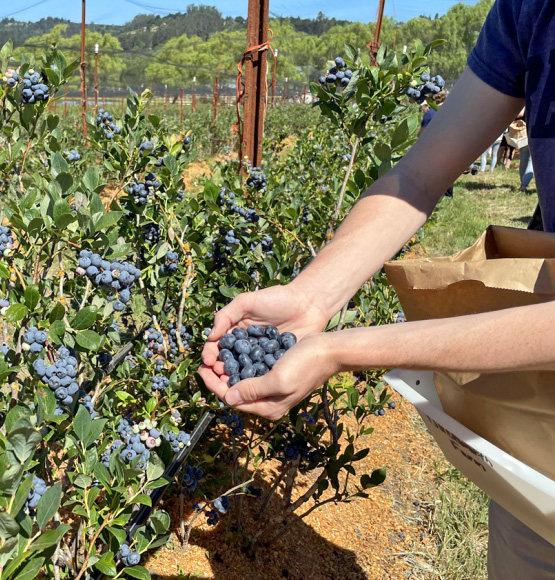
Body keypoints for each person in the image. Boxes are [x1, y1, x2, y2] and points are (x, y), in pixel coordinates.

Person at [199, 1, 555, 578]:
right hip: (540, 433)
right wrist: (311, 297)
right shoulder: (532, 9)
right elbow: (419, 174)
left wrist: (341, 349)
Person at [419, 90, 454, 197]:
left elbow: (422, 133)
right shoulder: (452, 111)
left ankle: (434, 195)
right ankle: (448, 194)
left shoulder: (430, 113)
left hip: (433, 146)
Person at [515, 108, 535, 193]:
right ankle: (524, 184)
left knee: (523, 159)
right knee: (532, 160)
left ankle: (522, 184)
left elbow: (519, 114)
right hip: (536, 132)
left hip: (523, 132)